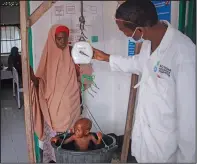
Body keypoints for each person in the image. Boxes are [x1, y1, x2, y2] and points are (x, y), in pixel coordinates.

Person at [93, 0, 196, 163]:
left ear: (139, 29)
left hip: (168, 151)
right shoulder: (149, 43)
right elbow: (138, 64)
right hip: (146, 142)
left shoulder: (184, 54)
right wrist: (105, 57)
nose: (124, 34)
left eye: (123, 31)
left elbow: (190, 120)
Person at [30, 24, 93, 162]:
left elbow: (88, 75)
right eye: (59, 39)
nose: (62, 42)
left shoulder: (74, 53)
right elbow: (40, 82)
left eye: (65, 39)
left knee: (72, 140)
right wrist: (31, 76)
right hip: (52, 109)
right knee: (53, 142)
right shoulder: (47, 57)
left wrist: (79, 83)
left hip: (71, 106)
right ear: (53, 39)